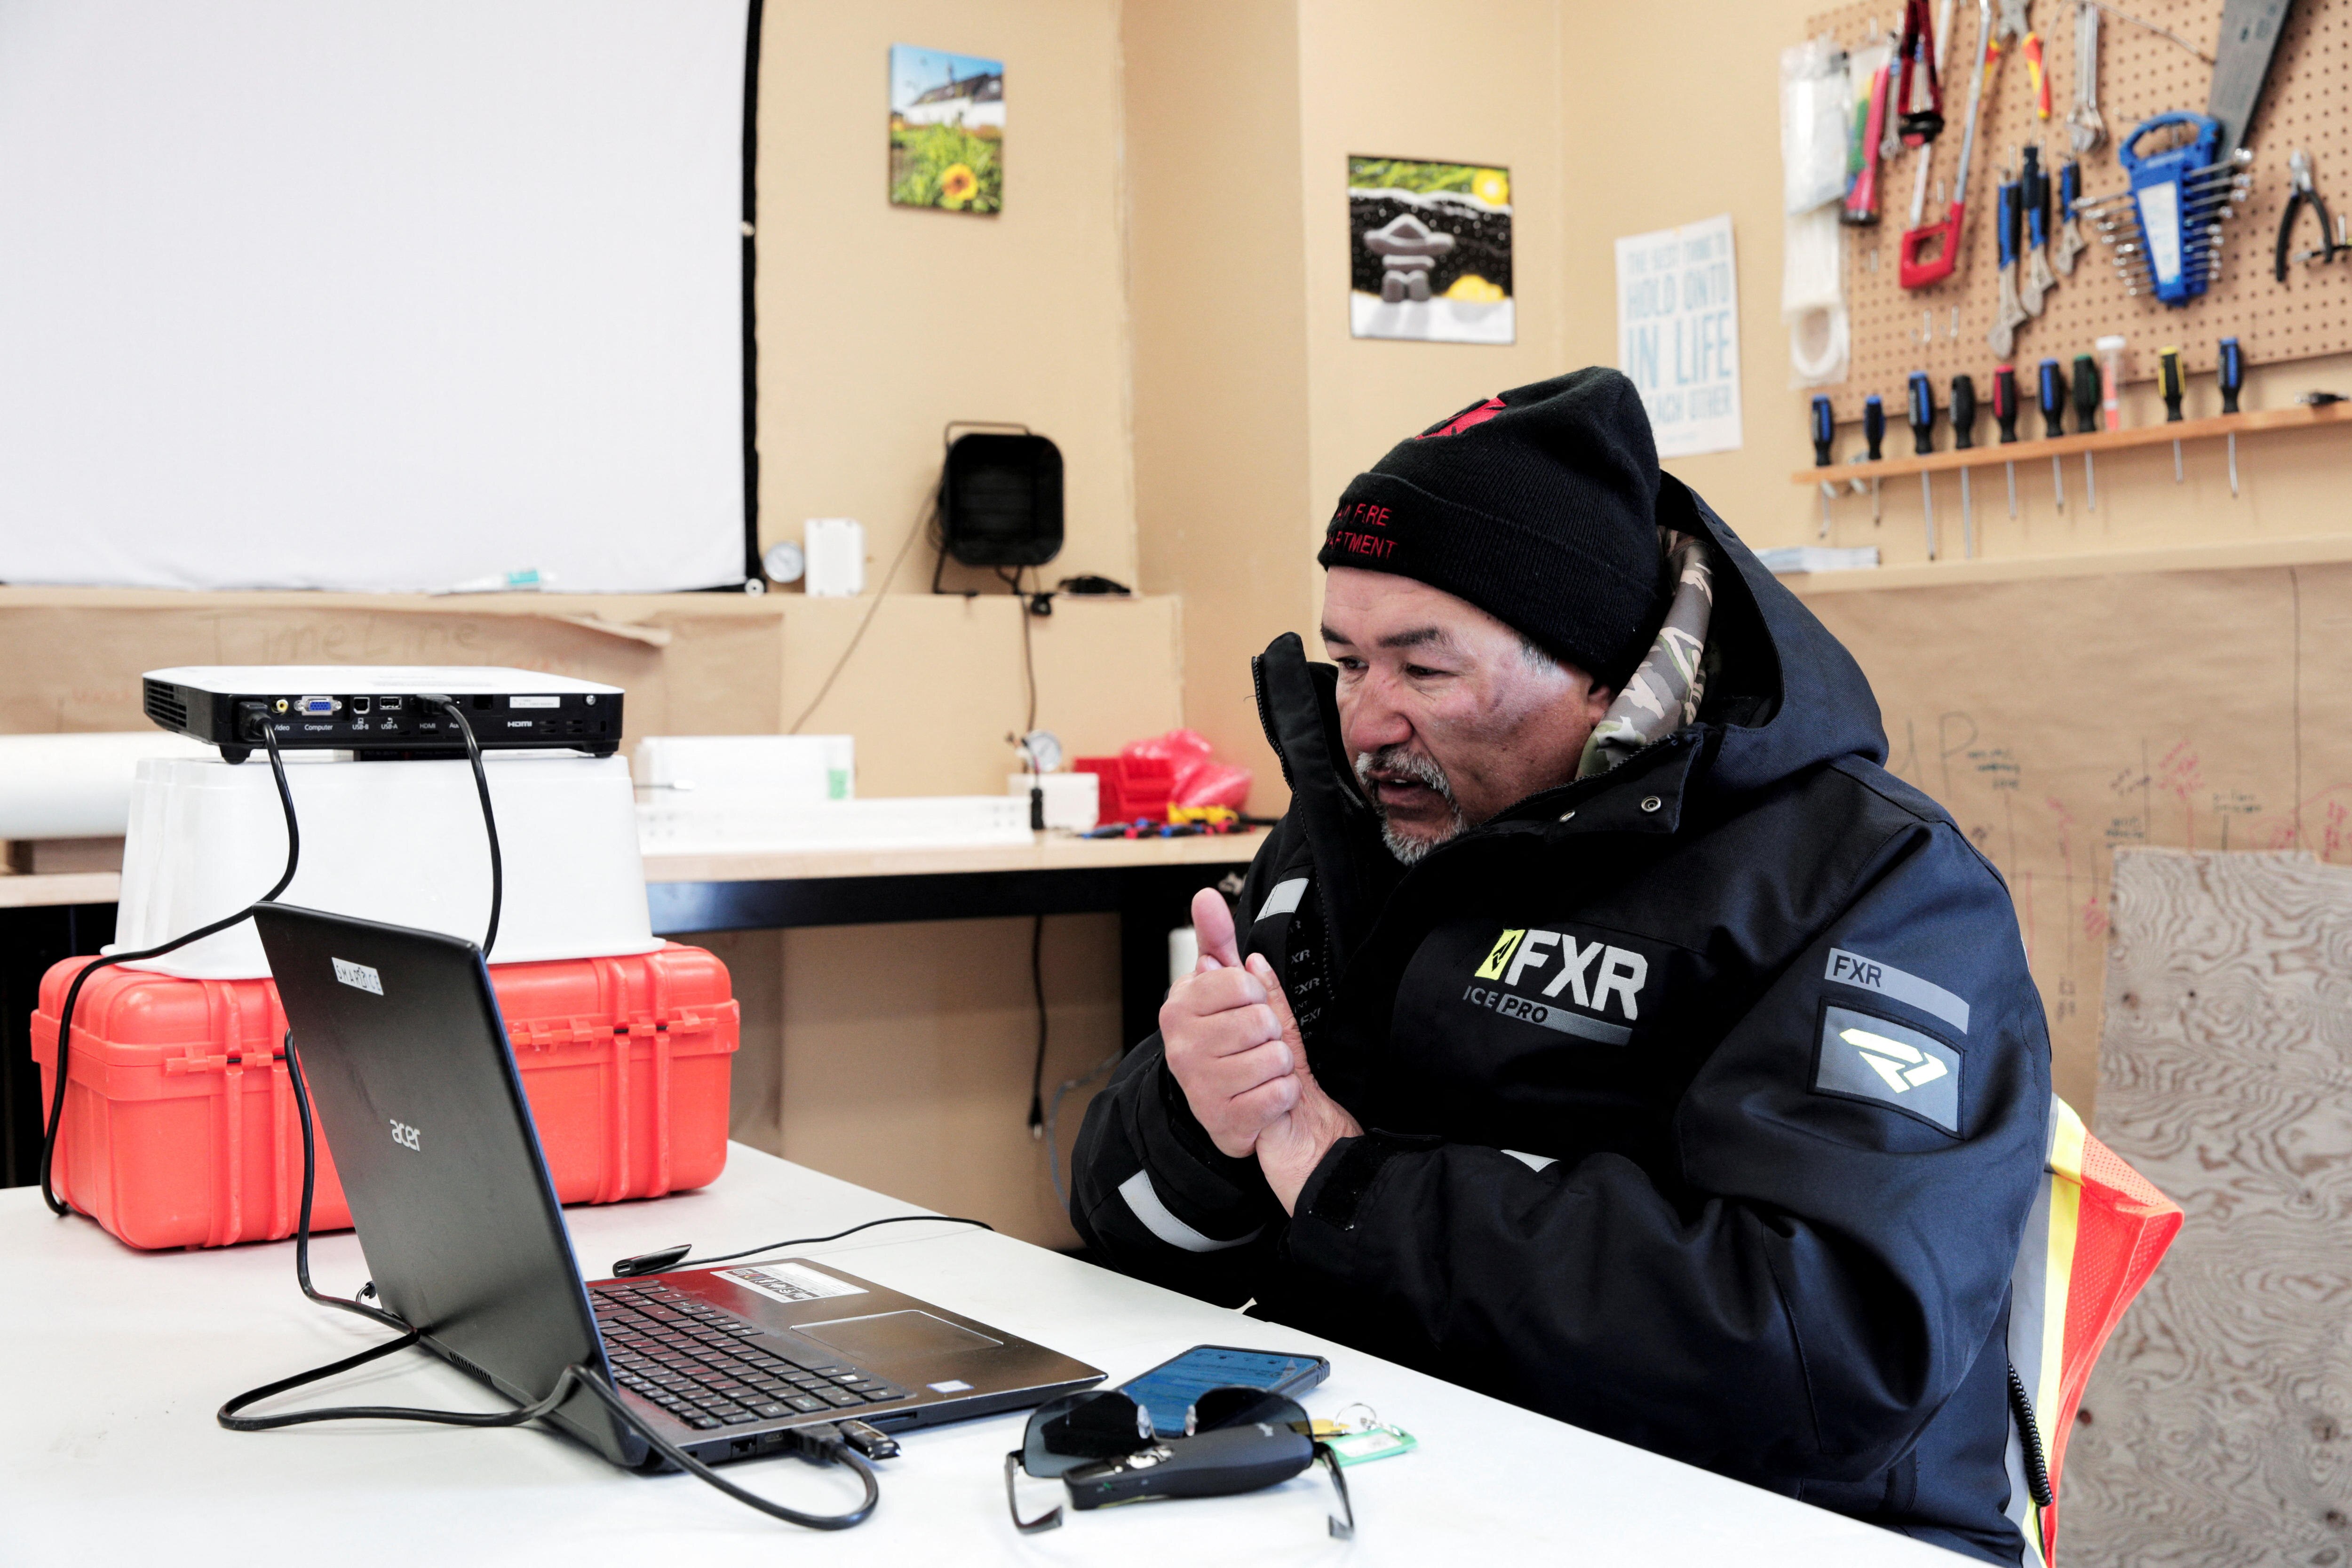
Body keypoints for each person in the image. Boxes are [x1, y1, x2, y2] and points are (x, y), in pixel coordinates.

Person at [1069, 369, 2052, 1564]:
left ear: (1607, 672)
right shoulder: (1359, 827)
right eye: (1346, 661)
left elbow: (1827, 1353)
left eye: (1423, 670)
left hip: (1769, 1525)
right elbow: (1121, 1229)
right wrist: (1192, 1116)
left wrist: (1346, 1182)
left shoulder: (1871, 886)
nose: (1365, 720)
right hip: (1401, 1473)